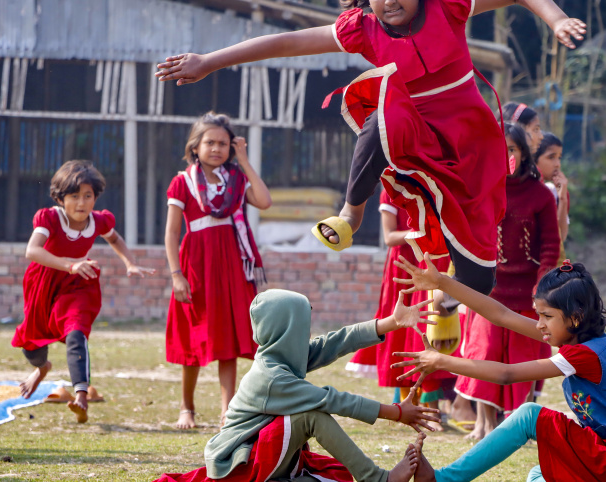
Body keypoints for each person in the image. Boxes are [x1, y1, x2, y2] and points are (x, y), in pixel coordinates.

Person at [155, 0, 586, 315]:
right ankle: (351, 212)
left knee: (479, 278)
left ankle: (447, 302)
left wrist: (557, 19)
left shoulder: (449, 7)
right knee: (383, 110)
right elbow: (286, 42)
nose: (390, 1)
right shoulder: (361, 28)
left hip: (471, 151)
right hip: (417, 140)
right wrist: (210, 61)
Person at [391, 257, 606, 482]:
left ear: (576, 317)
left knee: (529, 416)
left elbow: (506, 374)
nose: (539, 324)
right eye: (538, 315)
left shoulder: (584, 354)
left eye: (547, 317)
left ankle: (444, 481)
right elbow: (501, 315)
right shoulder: (578, 338)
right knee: (539, 473)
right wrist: (442, 282)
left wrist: (440, 361)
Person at [155, 289, 441, 482]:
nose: (309, 331)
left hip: (262, 456)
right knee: (311, 415)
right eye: (303, 325)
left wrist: (392, 322)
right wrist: (396, 413)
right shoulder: (271, 377)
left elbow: (337, 342)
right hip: (238, 467)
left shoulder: (282, 356)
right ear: (286, 329)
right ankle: (378, 479)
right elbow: (329, 399)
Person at [14, 160, 156, 423]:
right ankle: (42, 368)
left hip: (79, 284)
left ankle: (80, 393)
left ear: (95, 197)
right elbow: (32, 251)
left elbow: (114, 238)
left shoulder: (99, 220)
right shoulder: (49, 218)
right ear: (60, 198)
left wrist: (130, 262)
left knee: (76, 333)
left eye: (88, 196)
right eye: (74, 196)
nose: (81, 203)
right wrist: (69, 264)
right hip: (44, 282)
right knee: (31, 345)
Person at [164, 112, 273, 430]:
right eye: (209, 142)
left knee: (228, 337)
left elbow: (264, 201)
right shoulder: (182, 182)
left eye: (223, 143)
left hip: (232, 265)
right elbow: (172, 233)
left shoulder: (237, 182)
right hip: (196, 263)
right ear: (194, 147)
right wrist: (176, 274)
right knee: (192, 335)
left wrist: (244, 160)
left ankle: (228, 410)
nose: (216, 148)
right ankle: (187, 407)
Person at [453, 124, 560, 440]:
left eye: (511, 149)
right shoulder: (481, 189)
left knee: (524, 359)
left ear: (524, 154)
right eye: (499, 150)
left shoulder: (541, 195)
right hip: (489, 289)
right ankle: (483, 423)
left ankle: (516, 426)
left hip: (527, 293)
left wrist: (542, 287)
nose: (506, 156)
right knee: (484, 353)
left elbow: (550, 246)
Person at [345, 189, 463, 431]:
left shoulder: (432, 186)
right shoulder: (391, 191)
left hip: (431, 263)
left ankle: (431, 406)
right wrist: (425, 232)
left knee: (431, 328)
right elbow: (389, 237)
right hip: (404, 266)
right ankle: (411, 404)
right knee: (408, 333)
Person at [534, 132, 570, 258]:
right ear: (534, 159)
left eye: (559, 157)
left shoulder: (553, 192)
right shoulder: (524, 191)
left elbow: (561, 237)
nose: (557, 164)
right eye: (551, 157)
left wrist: (562, 199)